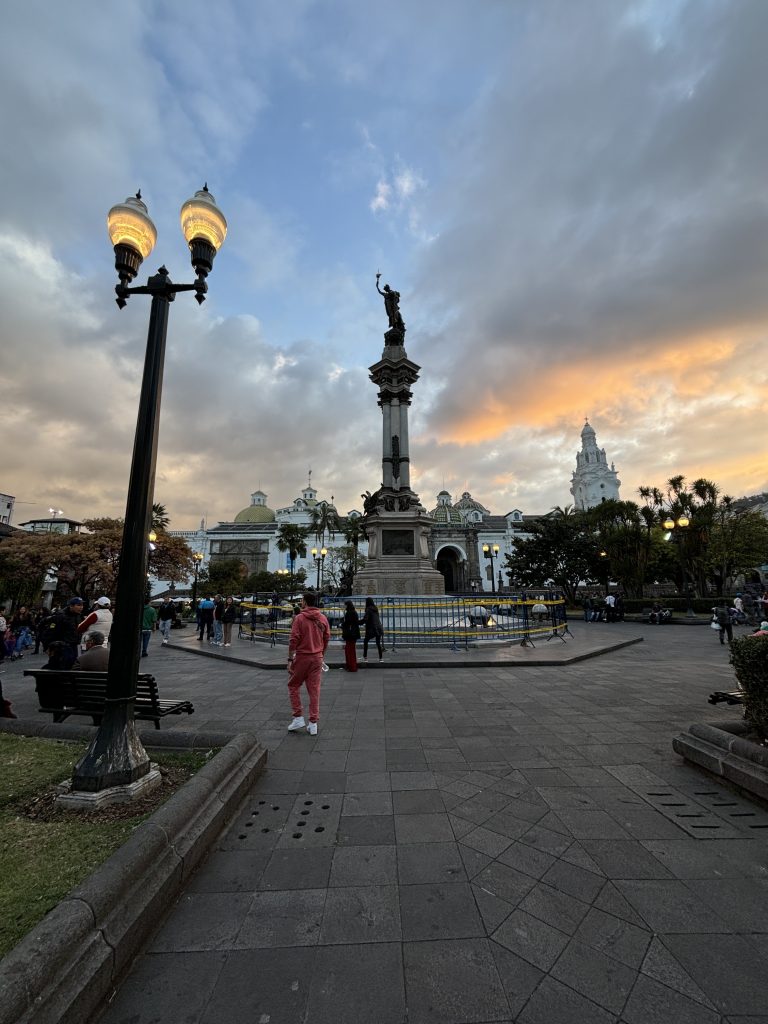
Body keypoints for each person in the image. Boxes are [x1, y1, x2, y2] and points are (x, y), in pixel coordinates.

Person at [286, 592, 330, 736]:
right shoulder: (322, 618)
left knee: (293, 685)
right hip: (317, 657)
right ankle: (313, 723)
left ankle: (298, 716)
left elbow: (293, 640)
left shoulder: (299, 618)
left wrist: (290, 659)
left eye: (302, 600)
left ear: (304, 602)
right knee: (314, 690)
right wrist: (321, 654)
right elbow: (326, 638)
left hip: (302, 656)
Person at [48, 597, 84, 668]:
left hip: (77, 645)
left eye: (82, 605)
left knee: (76, 665)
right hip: (64, 646)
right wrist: (49, 646)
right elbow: (51, 631)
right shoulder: (60, 615)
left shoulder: (79, 615)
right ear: (71, 606)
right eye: (78, 605)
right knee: (64, 666)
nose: (81, 607)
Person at [361, 597, 384, 661]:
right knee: (378, 643)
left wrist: (358, 622)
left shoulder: (368, 609)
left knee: (366, 641)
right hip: (379, 627)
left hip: (372, 628)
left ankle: (365, 657)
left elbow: (365, 619)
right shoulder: (375, 609)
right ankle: (381, 658)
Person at [341, 599, 361, 671]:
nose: (344, 607)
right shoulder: (354, 612)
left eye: (345, 605)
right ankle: (351, 666)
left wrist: (342, 625)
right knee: (351, 651)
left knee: (349, 651)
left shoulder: (349, 613)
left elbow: (347, 623)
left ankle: (351, 666)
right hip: (354, 634)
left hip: (350, 634)